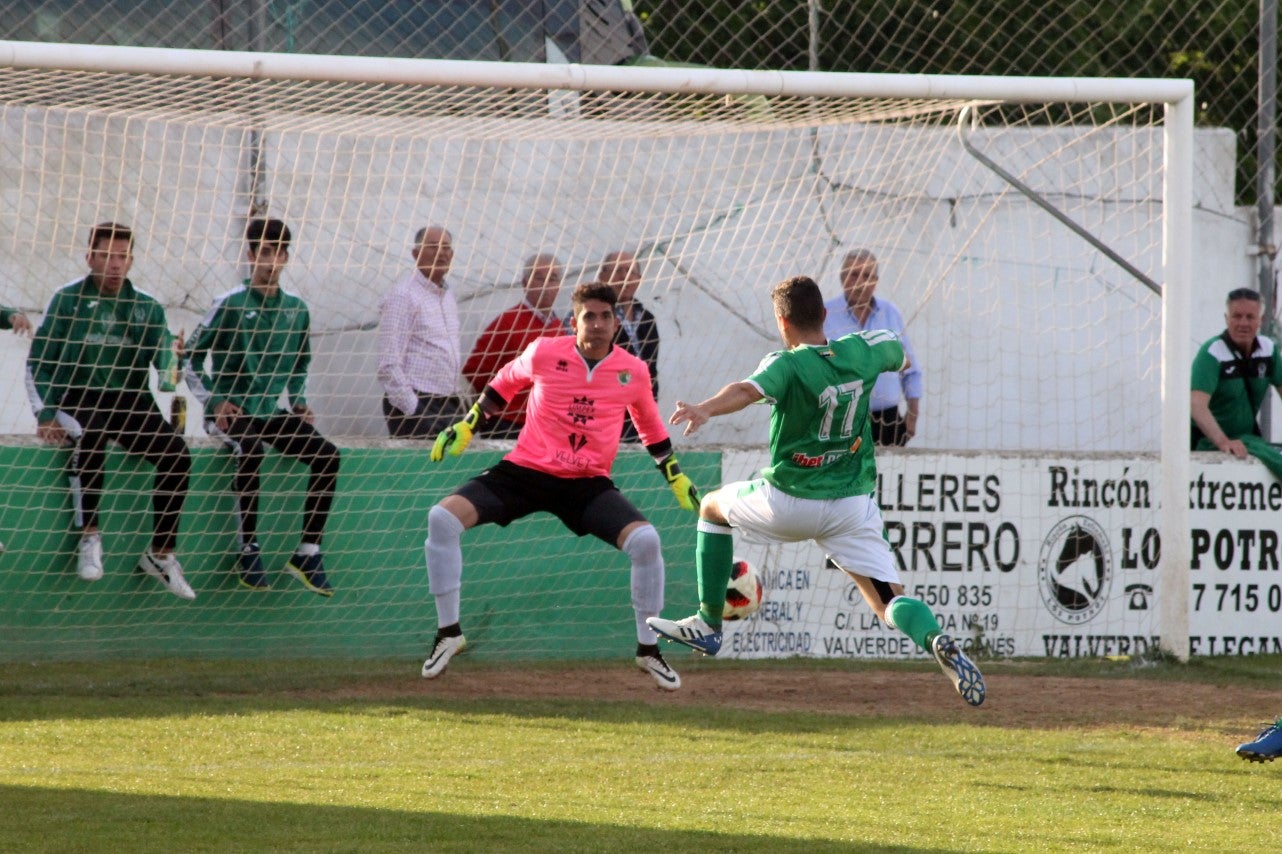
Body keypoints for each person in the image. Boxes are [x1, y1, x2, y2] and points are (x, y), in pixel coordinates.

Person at [648, 275, 985, 707]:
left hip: (790, 502)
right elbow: (898, 354)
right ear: (825, 315)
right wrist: (864, 359)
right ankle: (935, 637)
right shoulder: (861, 350)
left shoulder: (786, 364)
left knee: (712, 507)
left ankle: (709, 624)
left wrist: (704, 409)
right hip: (851, 505)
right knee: (888, 604)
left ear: (781, 322)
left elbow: (747, 391)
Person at [421, 281, 700, 690]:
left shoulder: (632, 371)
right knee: (441, 520)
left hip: (586, 484)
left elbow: (649, 426)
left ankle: (648, 650)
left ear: (615, 321)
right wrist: (468, 424)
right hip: (526, 471)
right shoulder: (545, 351)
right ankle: (449, 634)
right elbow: (504, 383)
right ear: (575, 321)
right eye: (591, 316)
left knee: (647, 544)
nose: (600, 323)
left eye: (607, 315)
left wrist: (674, 474)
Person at [25, 222, 194, 599]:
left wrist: (175, 361)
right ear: (90, 258)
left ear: (131, 260)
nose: (115, 264)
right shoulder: (67, 299)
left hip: (129, 399)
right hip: (78, 395)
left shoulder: (146, 306)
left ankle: (161, 554)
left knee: (178, 456)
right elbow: (39, 362)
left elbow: (166, 379)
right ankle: (89, 536)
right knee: (92, 434)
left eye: (122, 256)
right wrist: (45, 412)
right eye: (106, 256)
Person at [184, 218, 341, 595]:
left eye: (280, 252)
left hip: (270, 412)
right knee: (249, 447)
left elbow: (301, 362)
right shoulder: (230, 304)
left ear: (287, 257)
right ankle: (248, 548)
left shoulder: (296, 310)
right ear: (252, 254)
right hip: (231, 412)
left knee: (329, 456)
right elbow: (189, 358)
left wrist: (299, 402)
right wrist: (214, 401)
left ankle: (307, 552)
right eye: (266, 252)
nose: (273, 260)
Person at [822, 250, 922, 446]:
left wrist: (912, 415)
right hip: (839, 420)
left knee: (888, 475)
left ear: (875, 281)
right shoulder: (825, 314)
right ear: (842, 278)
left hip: (888, 422)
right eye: (854, 274)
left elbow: (911, 369)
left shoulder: (890, 313)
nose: (860, 281)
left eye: (867, 275)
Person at [461, 253, 565, 439]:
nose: (546, 285)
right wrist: (501, 403)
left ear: (560, 285)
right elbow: (474, 371)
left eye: (553, 279)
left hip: (544, 426)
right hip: (506, 424)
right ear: (525, 283)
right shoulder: (507, 322)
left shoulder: (559, 329)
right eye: (539, 278)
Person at [377, 225, 464, 438]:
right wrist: (415, 410)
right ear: (416, 254)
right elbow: (388, 365)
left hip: (449, 402)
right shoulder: (403, 296)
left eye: (446, 247)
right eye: (433, 247)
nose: (441, 253)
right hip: (417, 404)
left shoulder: (448, 297)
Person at [1190, 287, 1282, 478]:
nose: (1243, 323)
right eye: (1236, 316)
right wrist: (1223, 442)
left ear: (1260, 321)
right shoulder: (1212, 352)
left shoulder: (1268, 350)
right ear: (1226, 318)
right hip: (1207, 443)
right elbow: (1196, 406)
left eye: (1250, 317)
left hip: (1247, 441)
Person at [597, 250, 660, 443]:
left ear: (639, 279)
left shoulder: (647, 318)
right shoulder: (593, 317)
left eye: (629, 271)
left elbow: (652, 369)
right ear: (602, 276)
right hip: (603, 416)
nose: (624, 276)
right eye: (617, 270)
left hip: (640, 415)